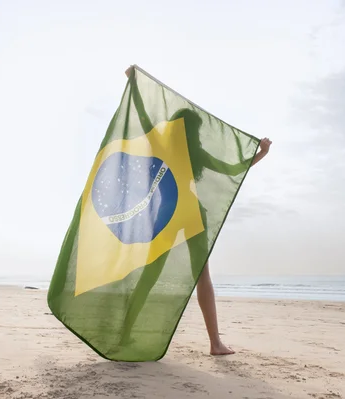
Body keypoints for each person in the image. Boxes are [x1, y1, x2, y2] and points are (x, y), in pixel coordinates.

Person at [121, 66, 272, 356]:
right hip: (192, 213)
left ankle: (126, 331)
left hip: (166, 212)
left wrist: (134, 85)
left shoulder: (162, 146)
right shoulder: (197, 154)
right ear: (195, 131)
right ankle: (215, 343)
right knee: (203, 276)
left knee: (150, 275)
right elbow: (233, 169)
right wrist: (261, 154)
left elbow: (143, 119)